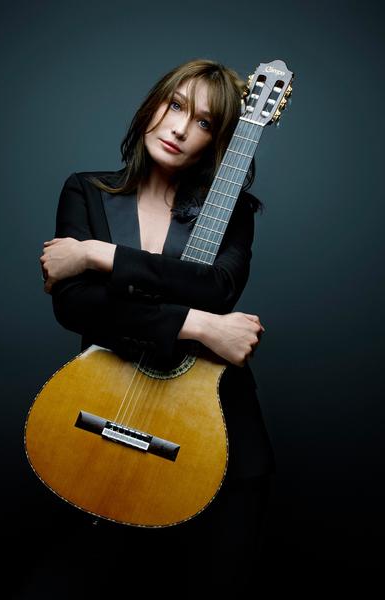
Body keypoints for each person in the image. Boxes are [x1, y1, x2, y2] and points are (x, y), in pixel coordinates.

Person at [38, 59, 276, 591]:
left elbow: (216, 287)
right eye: (175, 106)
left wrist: (97, 255)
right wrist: (200, 326)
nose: (180, 129)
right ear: (153, 104)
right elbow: (76, 306)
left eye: (204, 122)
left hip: (215, 434)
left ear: (218, 140)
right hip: (105, 418)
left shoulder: (231, 209)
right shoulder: (86, 191)